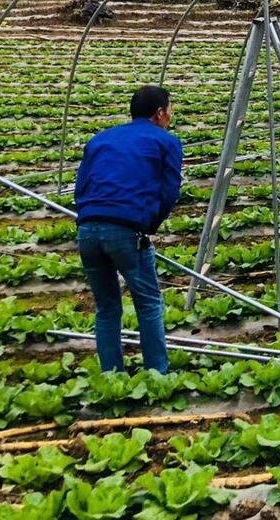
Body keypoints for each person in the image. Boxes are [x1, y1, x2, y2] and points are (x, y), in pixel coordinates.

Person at [75, 85, 183, 373]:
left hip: (87, 230)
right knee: (149, 304)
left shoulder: (100, 139)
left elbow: (81, 186)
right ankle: (157, 374)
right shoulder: (165, 141)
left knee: (107, 308)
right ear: (159, 113)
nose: (171, 115)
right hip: (127, 231)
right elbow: (170, 191)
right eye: (170, 109)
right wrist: (149, 225)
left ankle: (111, 375)